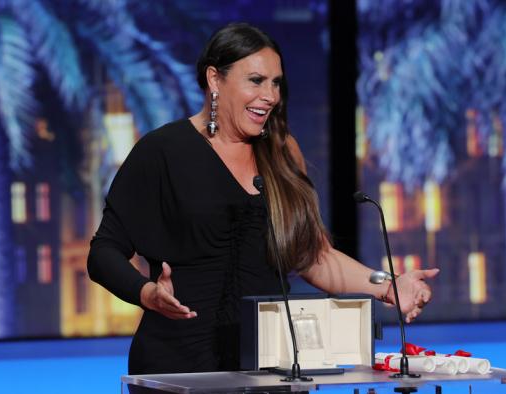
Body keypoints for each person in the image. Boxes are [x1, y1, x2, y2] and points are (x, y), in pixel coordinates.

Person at [87, 22, 439, 375]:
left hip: (272, 366)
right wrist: (147, 293)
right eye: (255, 81)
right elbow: (104, 252)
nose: (270, 95)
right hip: (179, 365)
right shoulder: (162, 151)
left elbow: (314, 257)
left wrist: (388, 286)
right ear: (214, 80)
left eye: (275, 83)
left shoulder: (282, 152)